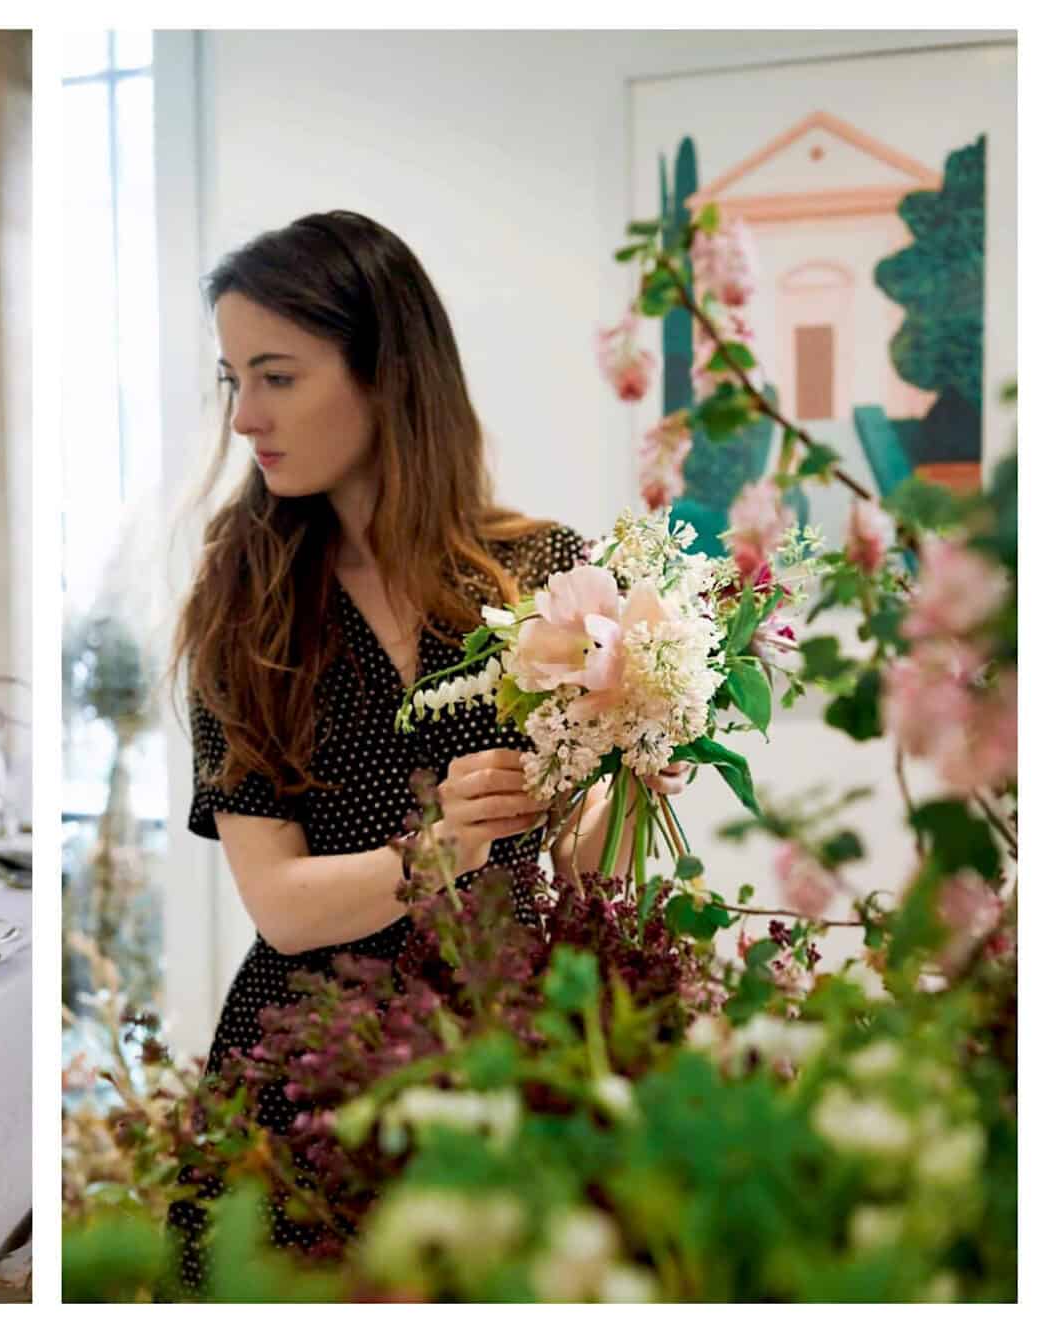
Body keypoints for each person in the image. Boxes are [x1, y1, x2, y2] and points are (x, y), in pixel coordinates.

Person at [169, 210, 686, 1266]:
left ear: (384, 373)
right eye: (233, 380)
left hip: (511, 1044)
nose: (243, 419)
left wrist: (633, 772)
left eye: (275, 376)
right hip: (308, 1070)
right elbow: (276, 901)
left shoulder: (541, 570)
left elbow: (586, 869)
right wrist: (435, 851)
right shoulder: (243, 601)